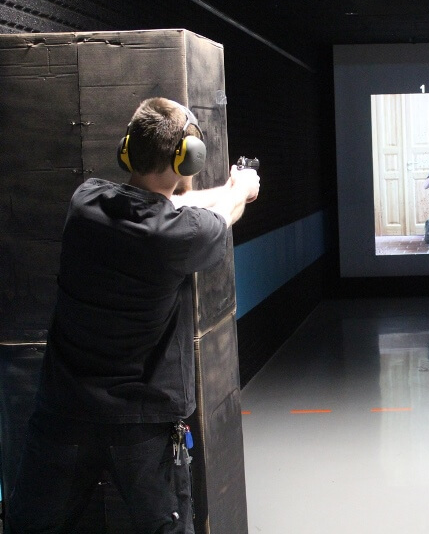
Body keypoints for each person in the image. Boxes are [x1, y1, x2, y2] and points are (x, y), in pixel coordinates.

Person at [7, 98, 260, 534]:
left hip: (65, 408)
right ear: (187, 158)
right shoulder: (181, 236)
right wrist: (241, 189)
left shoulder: (85, 200)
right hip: (142, 422)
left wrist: (225, 188)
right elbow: (218, 218)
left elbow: (174, 208)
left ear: (128, 149)